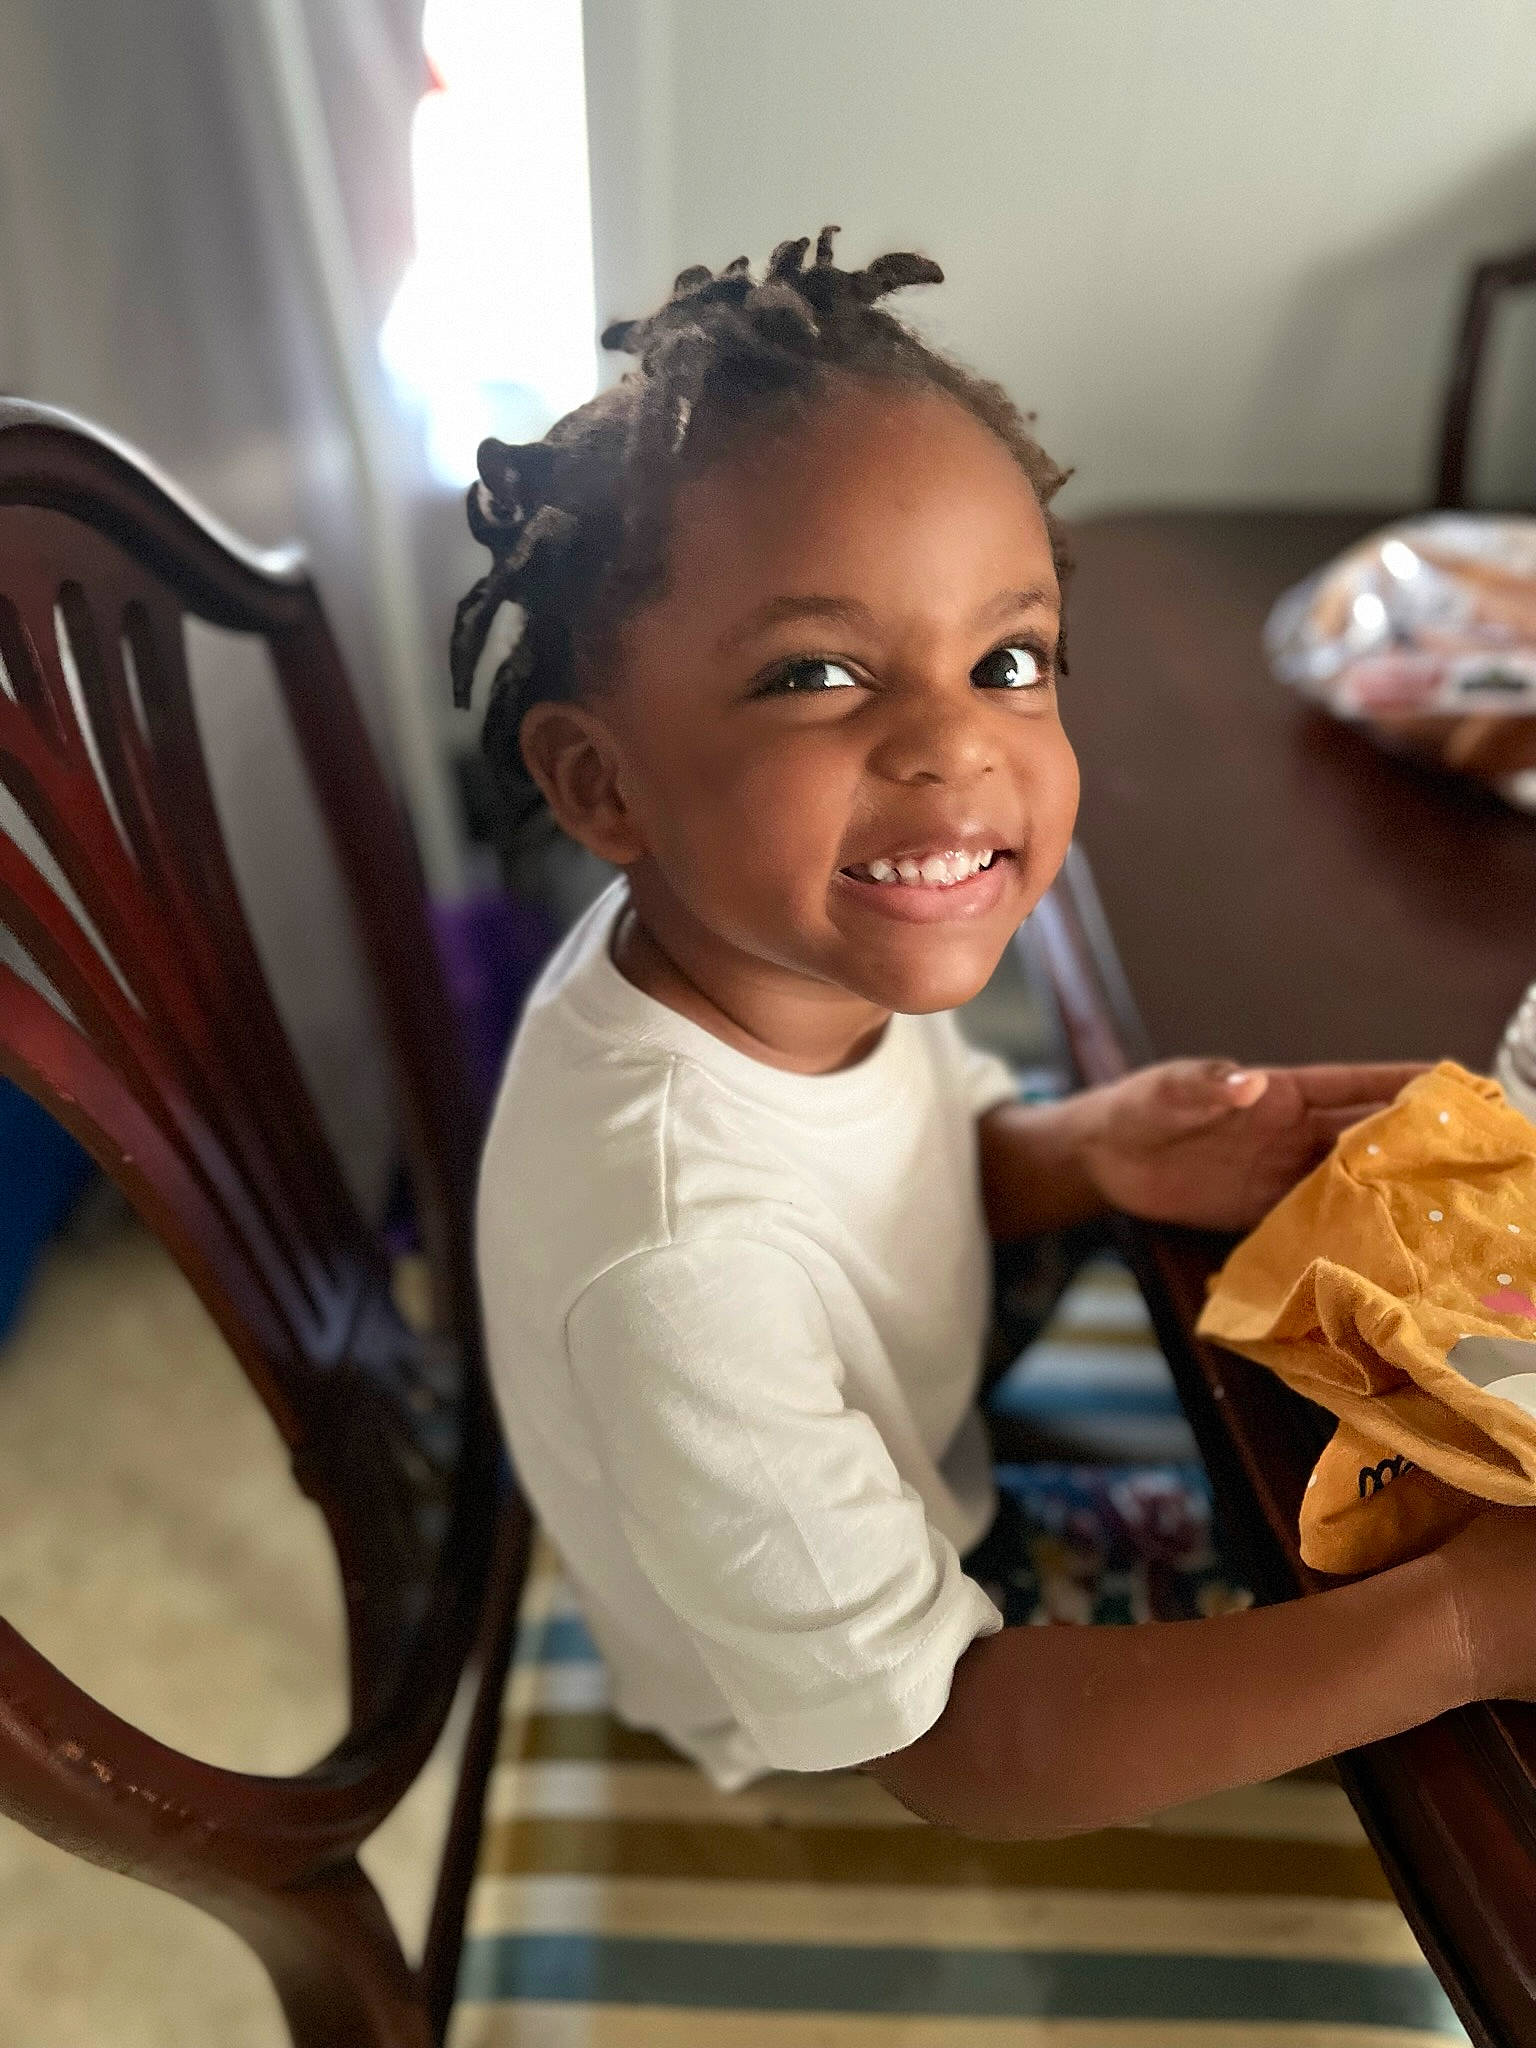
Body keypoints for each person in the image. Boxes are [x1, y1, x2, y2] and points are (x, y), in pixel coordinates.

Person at [456, 229, 1533, 1837]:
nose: (959, 746)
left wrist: (1089, 1145)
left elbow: (886, 1171)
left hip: (907, 1419)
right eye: (816, 672)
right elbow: (959, 1747)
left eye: (1009, 659)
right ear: (602, 782)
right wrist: (1470, 1630)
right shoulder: (676, 1273)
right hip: (860, 1716)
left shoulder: (771, 952)